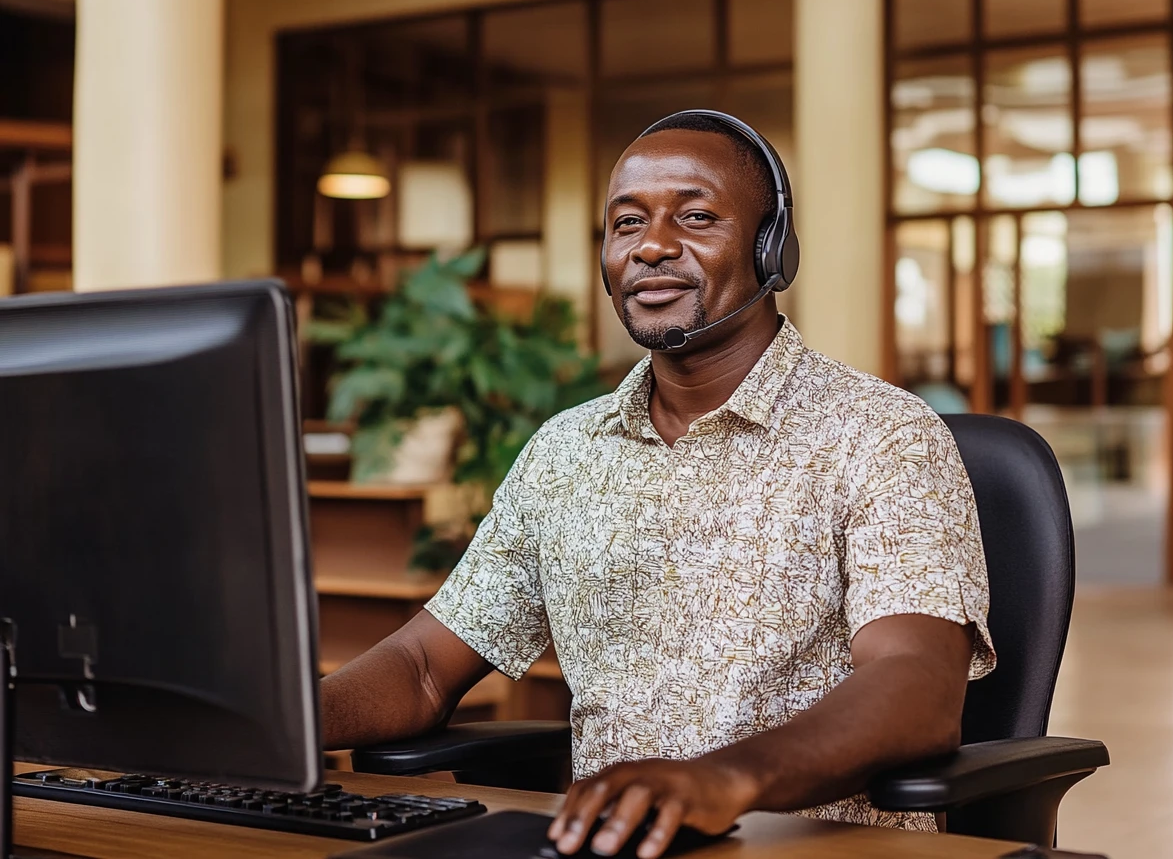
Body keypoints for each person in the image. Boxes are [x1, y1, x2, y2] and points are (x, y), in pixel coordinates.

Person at [322, 110, 994, 859]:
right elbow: (421, 669)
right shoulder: (565, 452)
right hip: (612, 847)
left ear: (771, 249)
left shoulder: (881, 435)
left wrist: (723, 780)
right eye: (626, 223)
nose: (651, 246)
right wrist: (282, 719)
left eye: (697, 217)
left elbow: (919, 686)